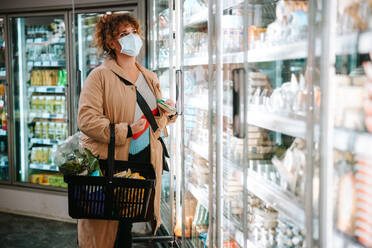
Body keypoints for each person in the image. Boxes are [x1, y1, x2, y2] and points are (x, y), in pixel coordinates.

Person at [77, 13, 177, 248]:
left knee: (127, 223)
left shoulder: (149, 77)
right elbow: (87, 119)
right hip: (111, 163)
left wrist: (168, 113)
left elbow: (156, 119)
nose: (133, 38)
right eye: (124, 34)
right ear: (111, 43)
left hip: (143, 162)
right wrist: (126, 130)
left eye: (134, 32)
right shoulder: (99, 77)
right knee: (105, 225)